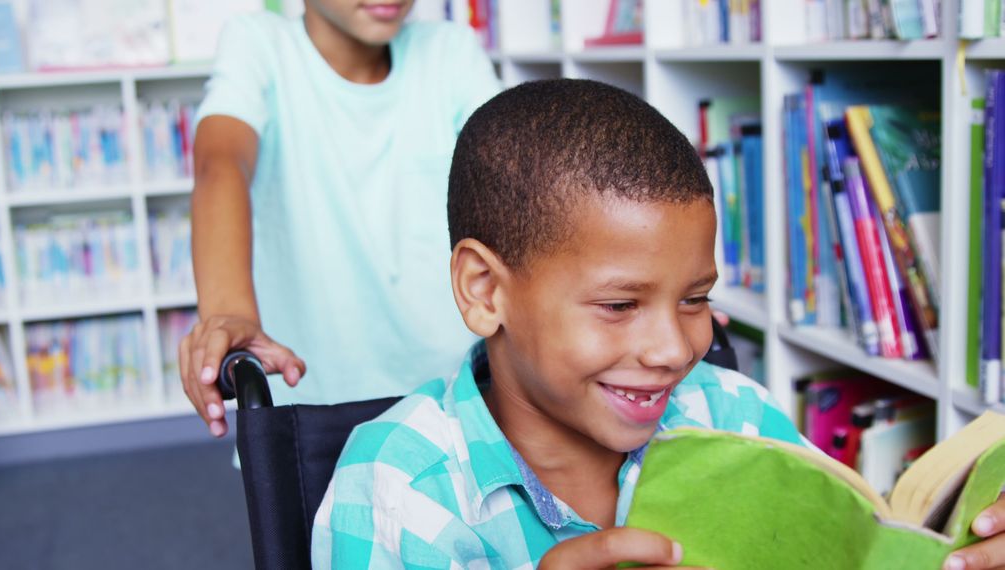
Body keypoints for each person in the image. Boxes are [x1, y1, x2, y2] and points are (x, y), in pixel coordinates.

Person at [309, 79, 1005, 569]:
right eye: (619, 306)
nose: (676, 350)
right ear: (485, 289)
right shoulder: (399, 490)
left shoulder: (735, 414)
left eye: (696, 299)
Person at [178, 0, 501, 437]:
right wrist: (229, 314)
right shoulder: (260, 45)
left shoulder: (452, 49)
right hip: (313, 404)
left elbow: (513, 174)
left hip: (460, 394)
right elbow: (220, 165)